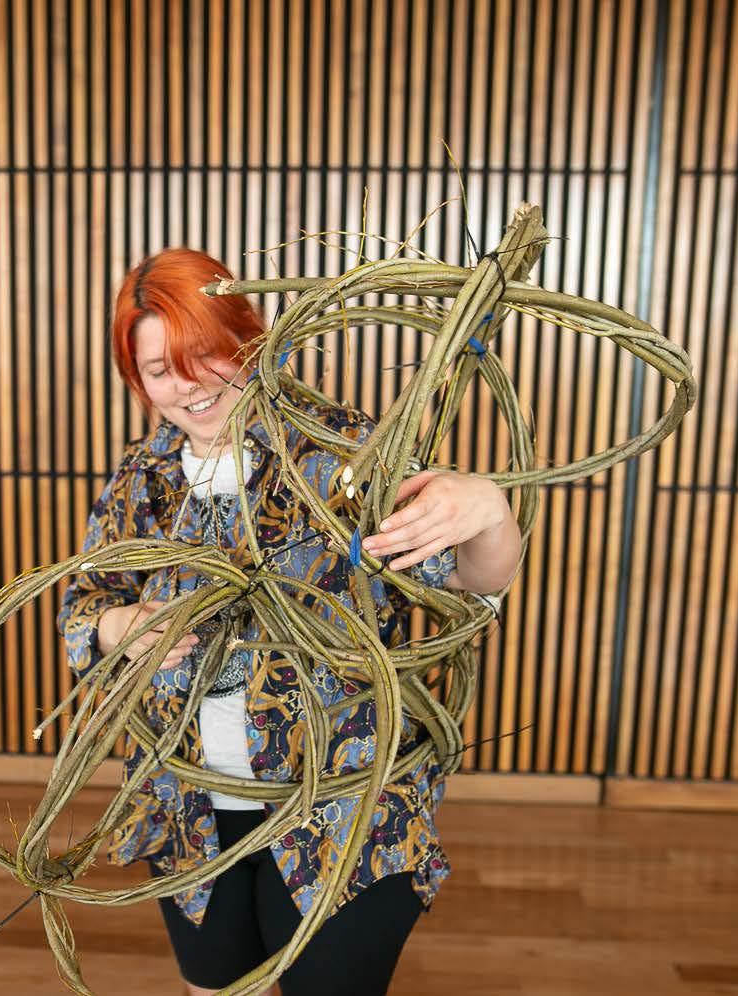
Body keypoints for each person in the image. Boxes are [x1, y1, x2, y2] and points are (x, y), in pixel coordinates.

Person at [57, 248, 520, 996]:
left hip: (344, 811)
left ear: (251, 339)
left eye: (205, 354)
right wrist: (118, 627)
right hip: (190, 811)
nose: (188, 385)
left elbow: (468, 580)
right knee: (213, 987)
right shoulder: (141, 479)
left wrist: (488, 511)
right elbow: (82, 607)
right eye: (160, 369)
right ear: (136, 380)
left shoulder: (340, 455)